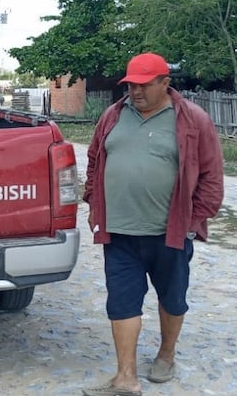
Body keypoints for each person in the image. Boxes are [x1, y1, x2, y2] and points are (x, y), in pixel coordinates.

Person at [82, 52, 224, 396]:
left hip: (170, 233)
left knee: (172, 299)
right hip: (119, 233)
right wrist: (92, 203)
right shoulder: (113, 115)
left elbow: (211, 178)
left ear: (165, 83)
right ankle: (126, 378)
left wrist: (191, 221)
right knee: (121, 303)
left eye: (144, 84)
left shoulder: (192, 120)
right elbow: (94, 160)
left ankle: (166, 354)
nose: (136, 91)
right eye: (130, 84)